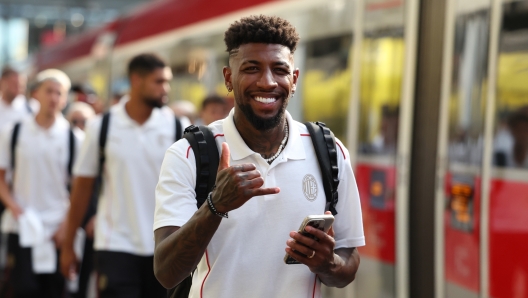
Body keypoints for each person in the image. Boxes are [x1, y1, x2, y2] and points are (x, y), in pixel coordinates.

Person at [153, 15, 364, 298]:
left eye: (279, 70)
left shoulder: (329, 152)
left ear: (294, 79)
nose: (267, 82)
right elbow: (166, 272)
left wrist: (327, 264)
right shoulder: (190, 154)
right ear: (229, 78)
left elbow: (348, 264)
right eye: (251, 68)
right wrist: (215, 206)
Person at [60, 53, 189, 298]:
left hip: (165, 246)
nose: (166, 88)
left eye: (167, 81)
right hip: (114, 245)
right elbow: (82, 189)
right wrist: (68, 246)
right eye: (159, 81)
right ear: (136, 80)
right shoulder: (101, 126)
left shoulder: (177, 126)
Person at [0, 69, 82, 297]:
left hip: (57, 229)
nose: (54, 98)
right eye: (49, 91)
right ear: (36, 94)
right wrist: (15, 208)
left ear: (65, 100)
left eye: (59, 93)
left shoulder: (74, 138)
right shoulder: (14, 132)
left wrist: (67, 225)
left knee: (54, 290)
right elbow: (1, 178)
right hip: (22, 226)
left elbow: (79, 189)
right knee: (22, 289)